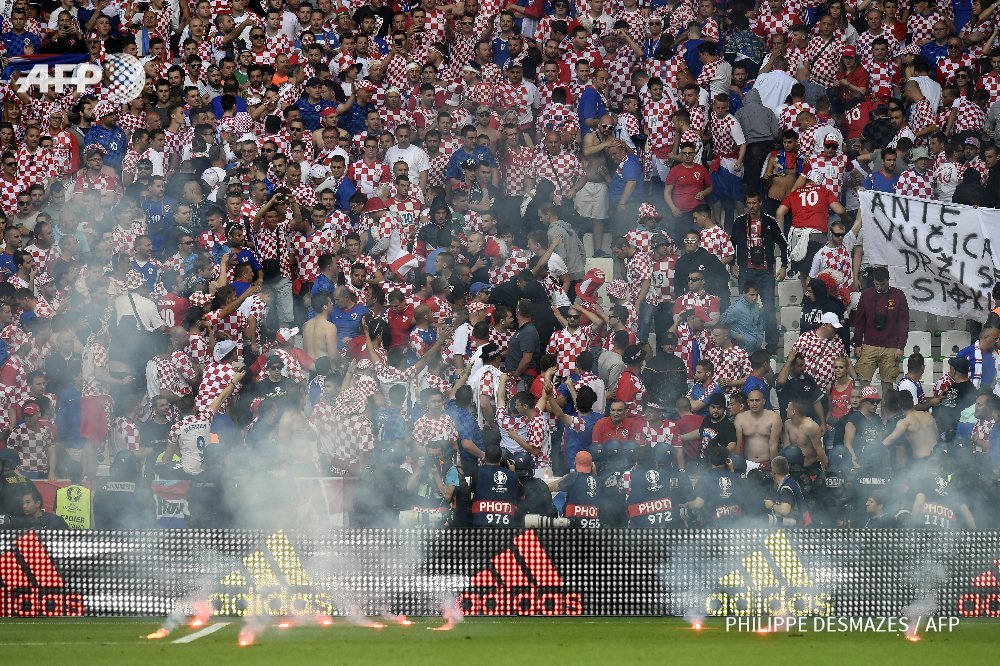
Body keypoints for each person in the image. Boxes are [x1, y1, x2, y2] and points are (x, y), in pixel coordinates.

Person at [854, 266, 909, 396]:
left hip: (890, 347)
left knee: (888, 387)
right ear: (873, 281)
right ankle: (862, 415)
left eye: (883, 284)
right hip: (869, 345)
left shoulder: (898, 295)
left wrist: (900, 346)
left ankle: (887, 417)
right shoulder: (866, 294)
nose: (879, 287)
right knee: (863, 384)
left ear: (888, 280)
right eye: (877, 284)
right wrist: (857, 344)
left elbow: (904, 323)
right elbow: (860, 321)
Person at [735, 389, 782, 469]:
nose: (754, 403)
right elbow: (738, 445)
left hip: (767, 462)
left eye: (757, 400)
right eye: (751, 400)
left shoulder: (774, 417)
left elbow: (773, 446)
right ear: (748, 402)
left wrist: (774, 469)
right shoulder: (740, 418)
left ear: (763, 401)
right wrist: (738, 465)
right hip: (747, 463)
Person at [764, 455, 811, 526]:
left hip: (799, 523)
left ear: (773, 471)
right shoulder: (790, 481)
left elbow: (784, 511)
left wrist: (771, 505)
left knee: (767, 519)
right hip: (800, 519)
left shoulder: (786, 487)